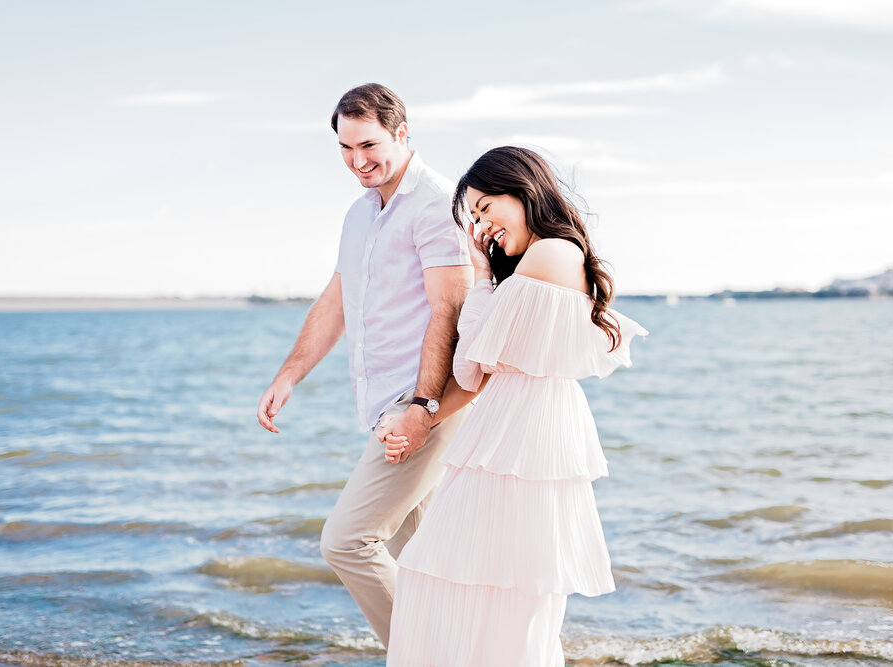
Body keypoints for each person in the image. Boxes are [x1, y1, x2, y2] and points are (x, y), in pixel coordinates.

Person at [380, 146, 648, 666]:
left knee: (511, 590)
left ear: (522, 189)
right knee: (465, 579)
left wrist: (480, 273)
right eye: (473, 218)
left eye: (484, 209)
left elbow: (473, 355)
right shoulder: (531, 265)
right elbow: (473, 371)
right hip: (509, 428)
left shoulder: (553, 253)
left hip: (528, 435)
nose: (481, 226)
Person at [255, 83, 477, 647]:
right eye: (346, 149)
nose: (358, 161)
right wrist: (289, 374)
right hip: (385, 407)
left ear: (403, 133)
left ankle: (426, 656)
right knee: (425, 560)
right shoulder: (359, 213)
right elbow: (338, 298)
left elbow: (450, 311)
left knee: (347, 542)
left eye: (369, 145)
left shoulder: (436, 204)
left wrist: (423, 409)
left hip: (422, 404)